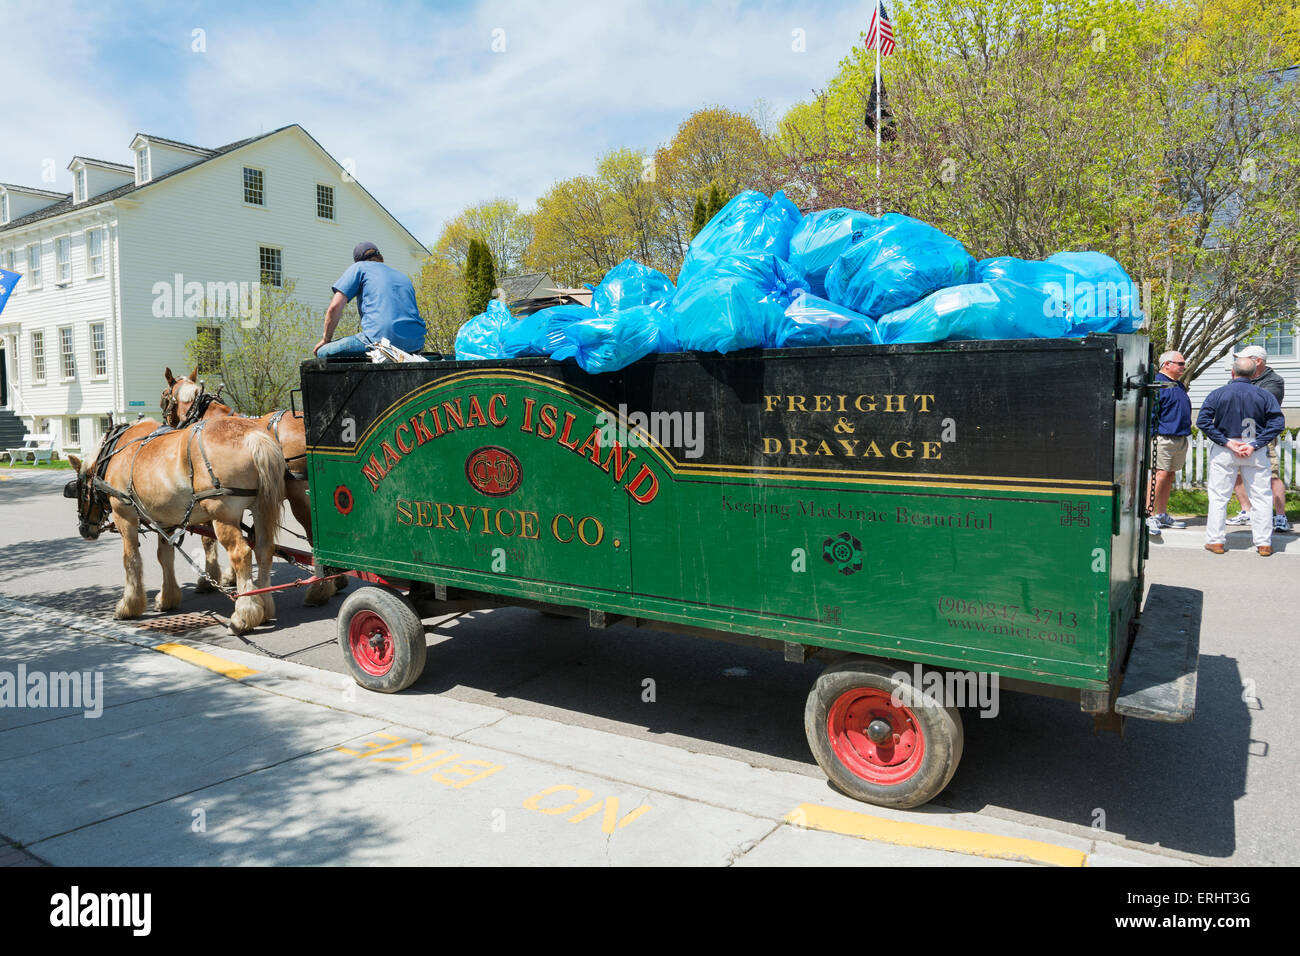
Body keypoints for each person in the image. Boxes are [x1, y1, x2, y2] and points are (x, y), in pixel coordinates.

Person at [1197, 356, 1286, 555]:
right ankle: (1263, 543)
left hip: (1226, 447)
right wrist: (1255, 444)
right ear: (1255, 374)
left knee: (1219, 497)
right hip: (1254, 448)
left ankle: (1216, 540)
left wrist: (1227, 442)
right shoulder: (1264, 395)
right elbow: (1277, 423)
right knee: (1261, 496)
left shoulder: (1217, 393)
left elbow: (1203, 421)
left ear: (1232, 373)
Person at [313, 242, 426, 358]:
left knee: (322, 352)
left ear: (358, 260)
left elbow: (334, 307)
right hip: (416, 345)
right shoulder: (403, 276)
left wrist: (326, 339)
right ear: (380, 258)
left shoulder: (359, 267)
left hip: (380, 341)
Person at [1226, 345, 1291, 533]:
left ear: (1258, 361)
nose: (1239, 363)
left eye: (1244, 359)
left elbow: (1261, 404)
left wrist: (1241, 393)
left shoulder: (1274, 381)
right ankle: (1247, 511)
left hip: (1262, 435)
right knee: (1238, 473)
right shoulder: (1238, 379)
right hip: (1238, 433)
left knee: (1272, 474)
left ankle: (1280, 516)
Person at [1146, 350, 1192, 537]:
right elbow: (1151, 413)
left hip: (1179, 437)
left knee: (1170, 475)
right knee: (1160, 474)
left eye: (1183, 363)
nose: (1183, 366)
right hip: (1163, 438)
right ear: (1167, 365)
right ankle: (1146, 514)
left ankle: (1161, 513)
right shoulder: (1159, 384)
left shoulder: (1178, 385)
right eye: (1179, 363)